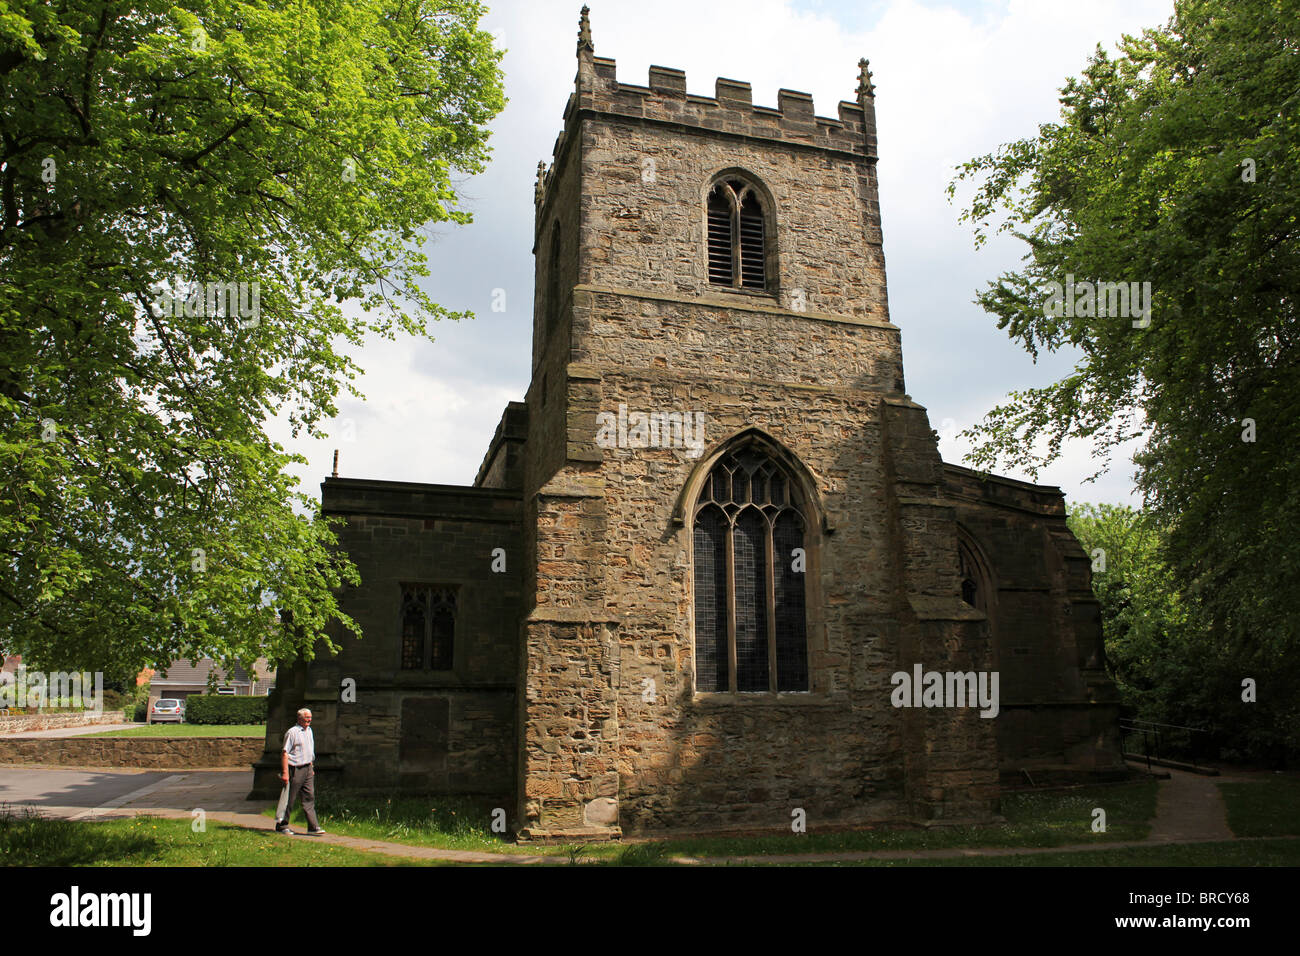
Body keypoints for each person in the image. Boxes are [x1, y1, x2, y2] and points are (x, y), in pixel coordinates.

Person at [276, 707, 326, 835]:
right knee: (289, 799)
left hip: (308, 768)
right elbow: (285, 753)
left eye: (310, 717)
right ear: (299, 718)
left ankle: (313, 827)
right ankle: (282, 825)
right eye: (306, 717)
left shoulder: (309, 731)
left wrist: (311, 767)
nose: (309, 720)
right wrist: (285, 773)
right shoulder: (292, 732)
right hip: (295, 769)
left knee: (309, 797)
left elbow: (309, 751)